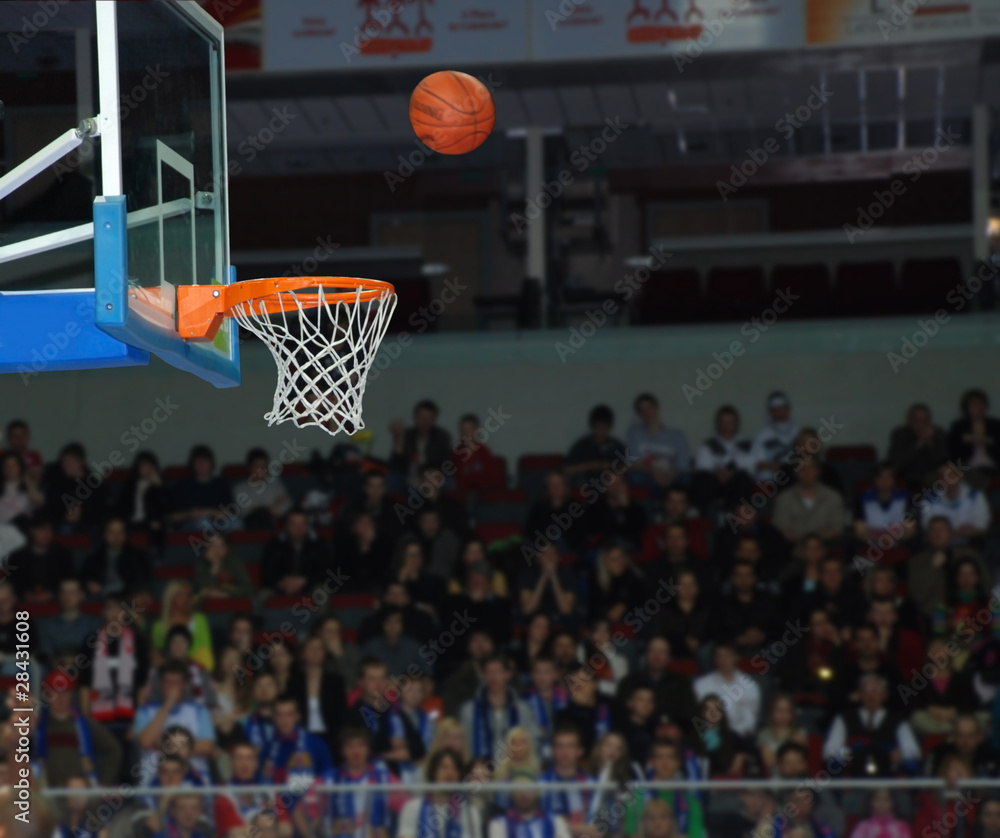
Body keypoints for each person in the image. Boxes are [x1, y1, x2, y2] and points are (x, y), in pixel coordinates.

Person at [133, 660, 217, 783]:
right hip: (153, 781)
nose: (171, 686)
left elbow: (207, 746)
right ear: (161, 683)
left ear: (184, 685)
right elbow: (145, 741)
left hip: (195, 781)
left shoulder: (199, 711)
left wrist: (161, 744)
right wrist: (167, 705)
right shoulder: (145, 711)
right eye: (167, 681)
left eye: (176, 682)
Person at [35, 671, 122, 788]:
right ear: (48, 695)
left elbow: (114, 749)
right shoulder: (37, 725)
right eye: (55, 691)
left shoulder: (85, 723)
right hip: (46, 790)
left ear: (71, 694)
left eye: (65, 692)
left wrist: (103, 784)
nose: (61, 697)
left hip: (81, 791)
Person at [823, 674, 921, 776]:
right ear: (859, 694)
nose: (870, 695)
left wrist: (899, 754)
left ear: (885, 695)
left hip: (887, 776)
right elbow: (828, 752)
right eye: (866, 691)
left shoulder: (898, 720)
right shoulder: (844, 718)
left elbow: (914, 752)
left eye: (875, 690)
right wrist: (850, 753)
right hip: (854, 776)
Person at [259, 694, 335, 823]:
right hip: (276, 818)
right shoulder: (267, 749)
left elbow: (328, 781)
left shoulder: (317, 744)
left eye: (289, 714)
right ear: (274, 717)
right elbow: (261, 786)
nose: (284, 720)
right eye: (280, 715)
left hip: (310, 814)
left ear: (297, 716)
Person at [80, 593, 150, 724]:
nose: (115, 613)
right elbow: (85, 683)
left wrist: (141, 721)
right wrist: (86, 720)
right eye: (110, 608)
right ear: (103, 612)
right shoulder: (92, 641)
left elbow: (142, 683)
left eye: (120, 608)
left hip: (131, 716)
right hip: (98, 718)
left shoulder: (138, 641)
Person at [910, 515, 989, 620]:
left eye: (941, 530)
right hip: (932, 616)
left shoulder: (970, 555)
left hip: (969, 614)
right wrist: (933, 568)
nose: (937, 534)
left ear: (951, 534)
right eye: (933, 530)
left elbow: (986, 585)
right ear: (927, 535)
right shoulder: (917, 561)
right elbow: (917, 597)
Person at [460, 654, 539, 759]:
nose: (493, 677)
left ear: (508, 674)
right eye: (489, 672)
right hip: (479, 771)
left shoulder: (522, 709)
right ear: (483, 675)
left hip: (515, 771)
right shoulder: (469, 710)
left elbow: (533, 742)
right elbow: (464, 746)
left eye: (498, 672)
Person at [614, 638, 698, 734]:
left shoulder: (681, 683)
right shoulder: (629, 682)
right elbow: (619, 713)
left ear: (669, 657)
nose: (657, 655)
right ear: (645, 655)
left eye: (662, 651)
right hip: (634, 734)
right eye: (652, 650)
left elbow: (689, 714)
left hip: (670, 738)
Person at [625, 740, 705, 838]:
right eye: (659, 757)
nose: (665, 762)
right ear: (651, 762)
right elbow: (631, 834)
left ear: (678, 762)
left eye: (670, 757)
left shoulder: (691, 802)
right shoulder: (636, 798)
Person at [398, 748, 481, 838]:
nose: (450, 773)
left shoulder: (470, 812)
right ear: (433, 772)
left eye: (455, 768)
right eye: (444, 767)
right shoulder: (413, 807)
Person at [288, 633, 347, 757]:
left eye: (319, 648)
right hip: (302, 738)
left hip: (330, 738)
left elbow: (341, 714)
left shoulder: (335, 681)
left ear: (325, 653)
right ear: (302, 654)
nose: (315, 652)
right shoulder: (294, 682)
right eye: (311, 648)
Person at [691, 404, 755, 507]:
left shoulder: (746, 445)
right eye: (723, 422)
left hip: (735, 483)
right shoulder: (708, 445)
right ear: (718, 424)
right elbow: (701, 466)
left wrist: (731, 473)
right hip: (713, 482)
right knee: (701, 479)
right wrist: (717, 472)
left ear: (736, 424)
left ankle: (736, 518)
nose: (726, 426)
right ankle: (702, 516)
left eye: (730, 422)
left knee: (743, 479)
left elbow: (751, 467)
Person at [772, 457, 846, 544]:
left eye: (811, 468)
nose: (807, 472)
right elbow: (780, 528)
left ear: (818, 471)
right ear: (795, 472)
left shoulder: (833, 497)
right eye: (802, 468)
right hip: (792, 549)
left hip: (825, 547)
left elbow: (837, 528)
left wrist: (813, 542)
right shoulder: (784, 498)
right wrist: (803, 541)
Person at [625, 393, 691, 491]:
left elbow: (682, 465)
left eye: (649, 408)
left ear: (656, 407)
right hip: (647, 475)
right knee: (635, 478)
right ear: (639, 414)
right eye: (642, 410)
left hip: (671, 475)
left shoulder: (677, 436)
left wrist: (668, 476)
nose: (646, 412)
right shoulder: (634, 434)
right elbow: (633, 463)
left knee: (686, 479)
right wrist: (654, 472)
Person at [693, 644, 761, 738]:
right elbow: (699, 718)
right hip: (709, 736)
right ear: (714, 659)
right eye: (719, 656)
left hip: (739, 738)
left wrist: (728, 736)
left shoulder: (749, 686)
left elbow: (749, 722)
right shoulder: (701, 685)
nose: (723, 660)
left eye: (727, 655)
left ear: (737, 657)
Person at [539, 726, 595, 834]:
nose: (565, 751)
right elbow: (537, 823)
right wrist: (579, 828)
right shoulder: (540, 784)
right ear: (553, 751)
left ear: (580, 751)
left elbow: (599, 829)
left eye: (570, 746)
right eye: (560, 746)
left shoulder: (592, 784)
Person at [261, 508, 329, 596]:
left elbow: (325, 572)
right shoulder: (275, 544)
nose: (298, 528)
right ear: (286, 526)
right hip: (280, 586)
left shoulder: (318, 543)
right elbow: (266, 574)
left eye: (302, 524)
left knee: (323, 592)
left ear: (308, 526)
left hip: (310, 585)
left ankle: (324, 611)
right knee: (261, 595)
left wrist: (304, 581)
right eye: (294, 524)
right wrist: (283, 583)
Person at [43, 443, 110, 532]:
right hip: (62, 522)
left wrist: (82, 512)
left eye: (68, 462)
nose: (64, 466)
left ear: (79, 463)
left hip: (88, 523)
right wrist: (65, 513)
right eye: (63, 462)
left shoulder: (94, 484)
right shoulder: (58, 480)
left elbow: (100, 509)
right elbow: (52, 505)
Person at [151, 580, 216, 671]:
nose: (185, 599)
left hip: (197, 670)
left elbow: (206, 651)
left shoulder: (200, 620)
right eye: (180, 595)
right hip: (170, 672)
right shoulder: (158, 626)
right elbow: (157, 656)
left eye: (187, 595)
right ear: (170, 597)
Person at [8, 512, 73, 602]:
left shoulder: (62, 555)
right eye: (42, 529)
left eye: (50, 530)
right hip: (24, 603)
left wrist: (53, 593)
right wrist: (25, 594)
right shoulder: (18, 557)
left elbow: (70, 581)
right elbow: (12, 583)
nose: (46, 534)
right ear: (32, 530)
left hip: (57, 602)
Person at [80, 516, 150, 598]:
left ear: (126, 534)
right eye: (112, 532)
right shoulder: (93, 559)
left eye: (120, 532)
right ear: (104, 535)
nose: (117, 536)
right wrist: (90, 585)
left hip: (127, 599)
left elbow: (140, 582)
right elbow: (85, 580)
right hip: (100, 599)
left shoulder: (137, 557)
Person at [921, 462, 992, 543]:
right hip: (940, 545)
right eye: (942, 476)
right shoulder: (929, 500)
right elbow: (927, 528)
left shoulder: (975, 496)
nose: (946, 479)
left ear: (959, 476)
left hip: (969, 544)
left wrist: (958, 534)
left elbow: (981, 528)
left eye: (950, 475)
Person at [487, 770, 571, 838]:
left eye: (528, 788)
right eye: (518, 789)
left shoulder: (555, 821)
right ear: (511, 794)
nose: (523, 794)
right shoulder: (499, 824)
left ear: (537, 793)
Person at [555, 662, 615, 756]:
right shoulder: (564, 714)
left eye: (583, 680)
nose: (579, 686)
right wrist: (582, 708)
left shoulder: (611, 706)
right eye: (574, 682)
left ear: (595, 684)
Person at [524, 472, 590, 555]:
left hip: (570, 552)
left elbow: (582, 536)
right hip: (543, 552)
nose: (556, 487)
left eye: (559, 484)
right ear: (547, 488)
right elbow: (529, 533)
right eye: (552, 484)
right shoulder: (538, 509)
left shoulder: (576, 508)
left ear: (566, 486)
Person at [649, 570, 709, 661]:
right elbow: (657, 635)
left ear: (698, 587)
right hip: (672, 654)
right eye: (683, 585)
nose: (688, 588)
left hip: (702, 654)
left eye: (692, 584)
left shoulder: (707, 610)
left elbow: (713, 634)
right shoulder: (665, 611)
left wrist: (699, 642)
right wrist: (683, 641)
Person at [389, 399, 453, 483]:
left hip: (432, 476)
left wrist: (426, 472)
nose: (425, 422)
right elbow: (396, 464)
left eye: (429, 418)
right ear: (415, 418)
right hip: (409, 476)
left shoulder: (441, 436)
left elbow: (444, 462)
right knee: (393, 478)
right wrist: (398, 441)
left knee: (449, 481)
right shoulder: (407, 435)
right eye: (422, 417)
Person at [39, 576, 101, 663]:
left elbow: (97, 654)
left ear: (81, 595)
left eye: (72, 592)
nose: (67, 596)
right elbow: (46, 655)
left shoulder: (93, 624)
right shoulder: (48, 625)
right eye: (63, 592)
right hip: (56, 672)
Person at [170, 445, 233, 530]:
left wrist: (209, 512)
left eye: (205, 461)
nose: (201, 465)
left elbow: (230, 512)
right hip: (191, 524)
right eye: (198, 461)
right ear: (192, 464)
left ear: (211, 463)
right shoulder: (182, 486)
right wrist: (189, 514)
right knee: (202, 522)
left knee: (236, 523)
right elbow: (172, 516)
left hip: (218, 521)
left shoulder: (221, 484)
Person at [889, 403, 949, 489]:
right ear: (909, 421)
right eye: (917, 421)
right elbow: (897, 464)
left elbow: (944, 462)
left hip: (932, 476)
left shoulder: (938, 434)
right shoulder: (900, 435)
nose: (922, 425)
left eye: (925, 421)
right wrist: (918, 444)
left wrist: (930, 443)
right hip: (907, 477)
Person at [564, 405, 627, 486]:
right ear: (593, 427)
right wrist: (589, 466)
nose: (601, 432)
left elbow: (626, 467)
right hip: (586, 485)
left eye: (604, 428)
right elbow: (566, 469)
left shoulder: (616, 445)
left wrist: (609, 466)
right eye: (598, 428)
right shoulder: (582, 446)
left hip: (610, 486)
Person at [517, 542, 577, 627]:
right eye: (545, 554)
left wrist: (553, 576)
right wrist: (543, 577)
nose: (550, 558)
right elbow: (527, 609)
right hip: (534, 622)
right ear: (537, 558)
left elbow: (566, 610)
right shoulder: (527, 574)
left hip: (561, 622)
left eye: (553, 553)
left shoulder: (567, 574)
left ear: (559, 557)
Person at [854, 462, 916, 544]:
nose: (884, 481)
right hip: (871, 544)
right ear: (874, 479)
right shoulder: (862, 499)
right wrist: (880, 537)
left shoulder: (906, 498)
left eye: (889, 477)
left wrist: (893, 538)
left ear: (894, 479)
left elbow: (910, 530)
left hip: (899, 543)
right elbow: (860, 531)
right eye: (880, 477)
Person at [117, 451, 170, 543]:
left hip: (150, 522)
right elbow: (122, 506)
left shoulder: (160, 484)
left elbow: (167, 507)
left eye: (149, 466)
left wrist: (159, 487)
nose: (146, 469)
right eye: (143, 465)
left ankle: (155, 555)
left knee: (158, 528)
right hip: (131, 521)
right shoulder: (130, 484)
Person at [359, 607, 428, 678]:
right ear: (382, 624)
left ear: (403, 624)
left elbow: (427, 672)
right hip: (378, 687)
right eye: (388, 622)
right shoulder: (370, 647)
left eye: (397, 622)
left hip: (408, 687)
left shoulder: (414, 646)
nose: (393, 626)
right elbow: (360, 674)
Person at [232, 447, 292, 528]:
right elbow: (244, 511)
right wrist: (270, 508)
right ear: (250, 468)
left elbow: (287, 504)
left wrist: (273, 509)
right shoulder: (240, 488)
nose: (260, 471)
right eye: (257, 467)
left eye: (263, 467)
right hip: (249, 524)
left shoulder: (275, 485)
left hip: (272, 522)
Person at [926, 714, 1000, 777]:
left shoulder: (992, 757)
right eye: (960, 735)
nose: (965, 741)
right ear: (953, 736)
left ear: (980, 737)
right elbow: (927, 783)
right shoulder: (939, 755)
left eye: (970, 735)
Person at [588, 542, 645, 623]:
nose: (620, 562)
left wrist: (624, 605)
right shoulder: (596, 579)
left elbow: (640, 599)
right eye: (614, 560)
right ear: (605, 562)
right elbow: (594, 607)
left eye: (621, 557)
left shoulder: (634, 576)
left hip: (633, 619)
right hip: (605, 622)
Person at [949, 388, 1000, 477]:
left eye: (982, 404)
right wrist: (968, 440)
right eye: (975, 405)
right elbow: (953, 450)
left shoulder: (995, 425)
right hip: (967, 466)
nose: (979, 407)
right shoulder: (959, 426)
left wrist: (988, 441)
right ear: (967, 408)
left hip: (992, 464)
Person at [750, 391, 799, 481]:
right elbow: (756, 462)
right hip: (769, 478)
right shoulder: (763, 434)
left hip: (792, 477)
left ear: (788, 409)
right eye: (776, 409)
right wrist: (773, 465)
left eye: (782, 408)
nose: (780, 412)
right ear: (771, 412)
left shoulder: (797, 432)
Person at [756, 694, 809, 776]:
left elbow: (797, 760)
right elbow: (769, 762)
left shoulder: (800, 733)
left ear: (792, 713)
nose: (783, 715)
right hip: (773, 776)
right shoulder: (764, 734)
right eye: (779, 710)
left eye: (787, 711)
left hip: (797, 775)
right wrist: (787, 762)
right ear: (772, 712)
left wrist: (785, 761)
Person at [193, 532, 254, 601]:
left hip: (234, 602)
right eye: (213, 546)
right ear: (206, 549)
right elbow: (202, 589)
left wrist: (226, 593)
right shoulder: (202, 565)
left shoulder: (234, 562)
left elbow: (248, 587)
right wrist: (214, 568)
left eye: (221, 545)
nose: (217, 550)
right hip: (209, 605)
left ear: (227, 548)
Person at [455, 412, 503, 493]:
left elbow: (494, 478)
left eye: (469, 429)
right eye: (464, 430)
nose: (466, 433)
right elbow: (458, 479)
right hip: (464, 495)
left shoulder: (483, 451)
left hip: (482, 493)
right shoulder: (457, 453)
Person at [315, 613, 360, 687]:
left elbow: (351, 684)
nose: (334, 635)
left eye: (337, 631)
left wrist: (339, 656)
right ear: (319, 632)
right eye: (329, 631)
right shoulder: (313, 650)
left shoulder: (352, 650)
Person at [242, 669, 280, 751]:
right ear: (253, 692)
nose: (264, 689)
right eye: (259, 685)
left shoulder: (288, 718)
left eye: (269, 685)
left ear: (278, 689)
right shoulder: (246, 722)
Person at [0, 451, 40, 525]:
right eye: (6, 466)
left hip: (21, 530)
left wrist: (27, 480)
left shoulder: (28, 487)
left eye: (13, 466)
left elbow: (37, 500)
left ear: (20, 467)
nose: (10, 469)